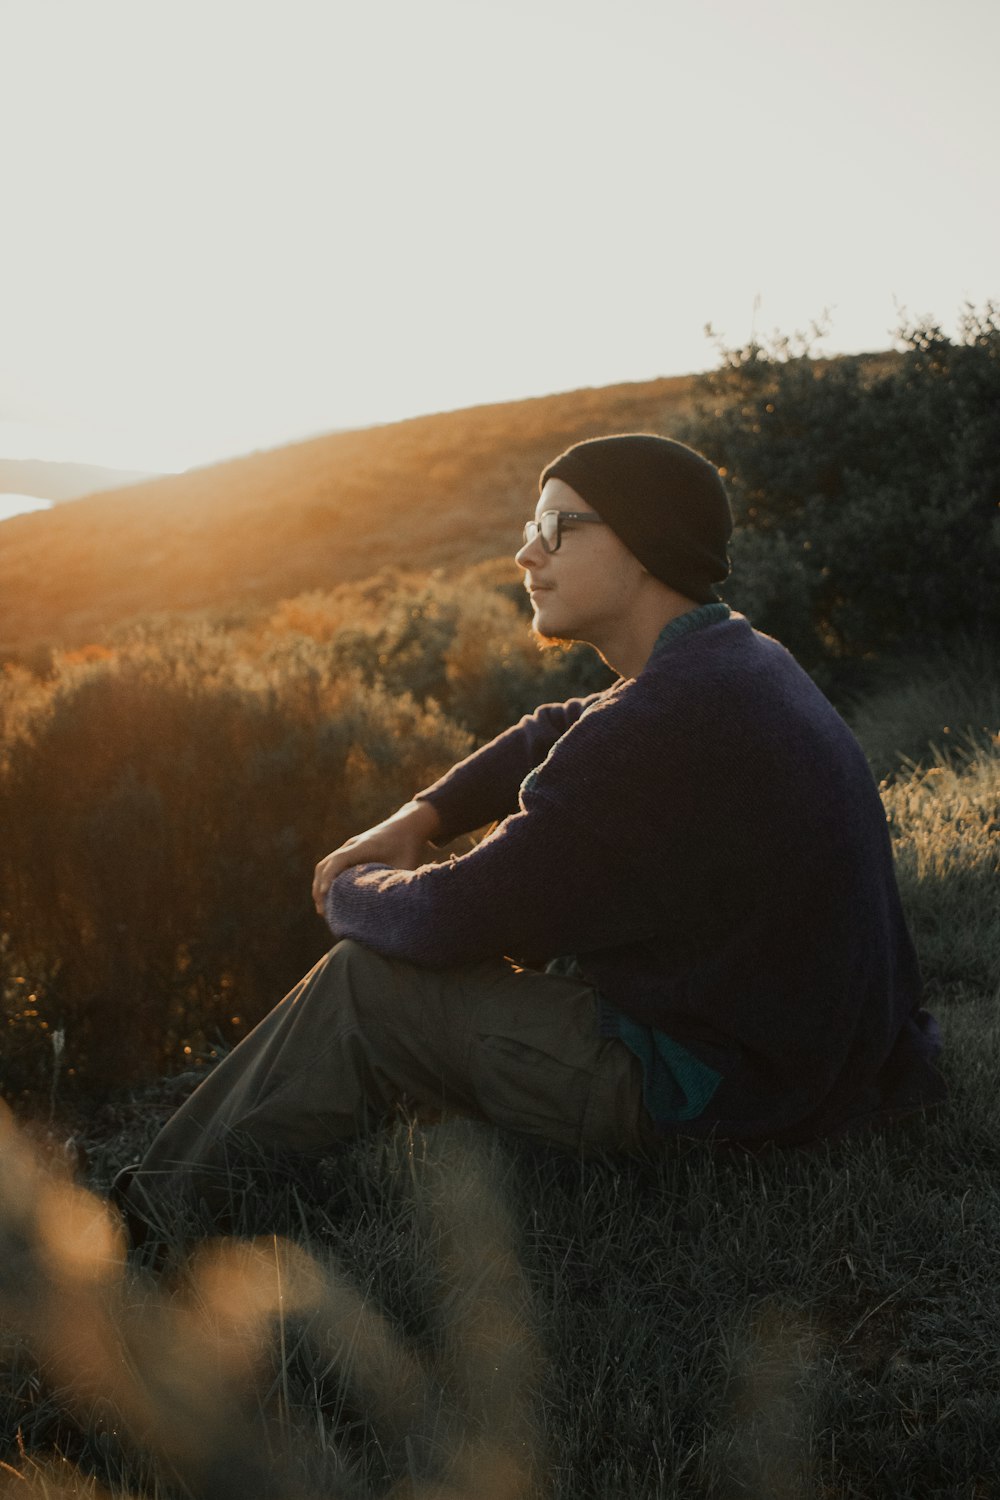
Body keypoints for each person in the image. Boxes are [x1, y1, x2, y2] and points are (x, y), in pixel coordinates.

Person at [114, 433, 944, 1236]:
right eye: (527, 528)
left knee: (366, 985)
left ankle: (159, 1215)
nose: (526, 554)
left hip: (729, 1091)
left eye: (556, 527)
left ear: (646, 543)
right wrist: (420, 816)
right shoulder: (736, 659)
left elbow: (445, 921)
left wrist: (347, 888)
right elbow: (553, 724)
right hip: (831, 1061)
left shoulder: (657, 729)